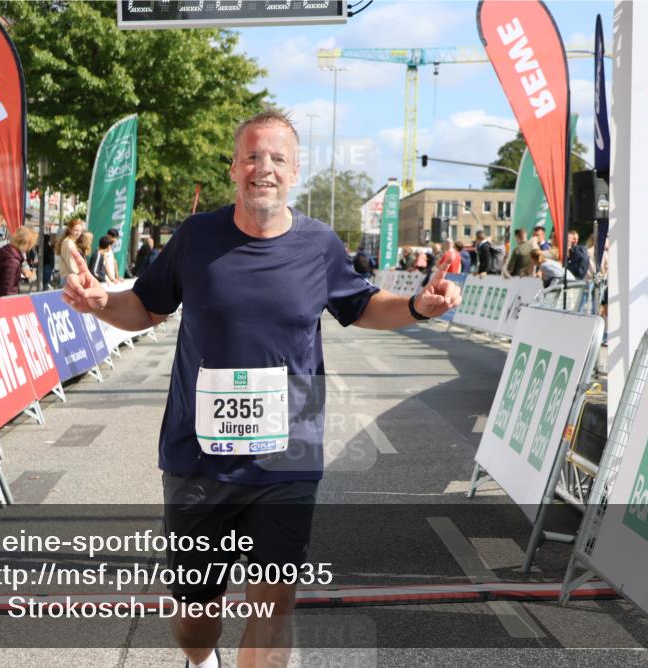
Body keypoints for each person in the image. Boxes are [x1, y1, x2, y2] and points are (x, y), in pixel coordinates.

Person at [62, 110, 460, 668]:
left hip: (286, 460)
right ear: (234, 169)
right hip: (197, 459)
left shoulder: (320, 245)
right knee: (196, 619)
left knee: (273, 609)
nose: (263, 168)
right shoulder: (197, 237)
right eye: (252, 156)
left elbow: (362, 306)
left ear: (295, 172)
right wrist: (104, 302)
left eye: (276, 158)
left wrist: (419, 306)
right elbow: (147, 306)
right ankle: (202, 659)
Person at [0, 227, 38, 297]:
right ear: (27, 244)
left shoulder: (7, 251)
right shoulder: (13, 261)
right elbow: (8, 289)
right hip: (5, 300)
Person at [55, 218, 86, 283]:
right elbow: (71, 263)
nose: (78, 233)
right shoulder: (69, 243)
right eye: (76, 230)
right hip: (70, 277)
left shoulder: (68, 241)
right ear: (70, 230)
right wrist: (78, 274)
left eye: (80, 230)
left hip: (67, 276)